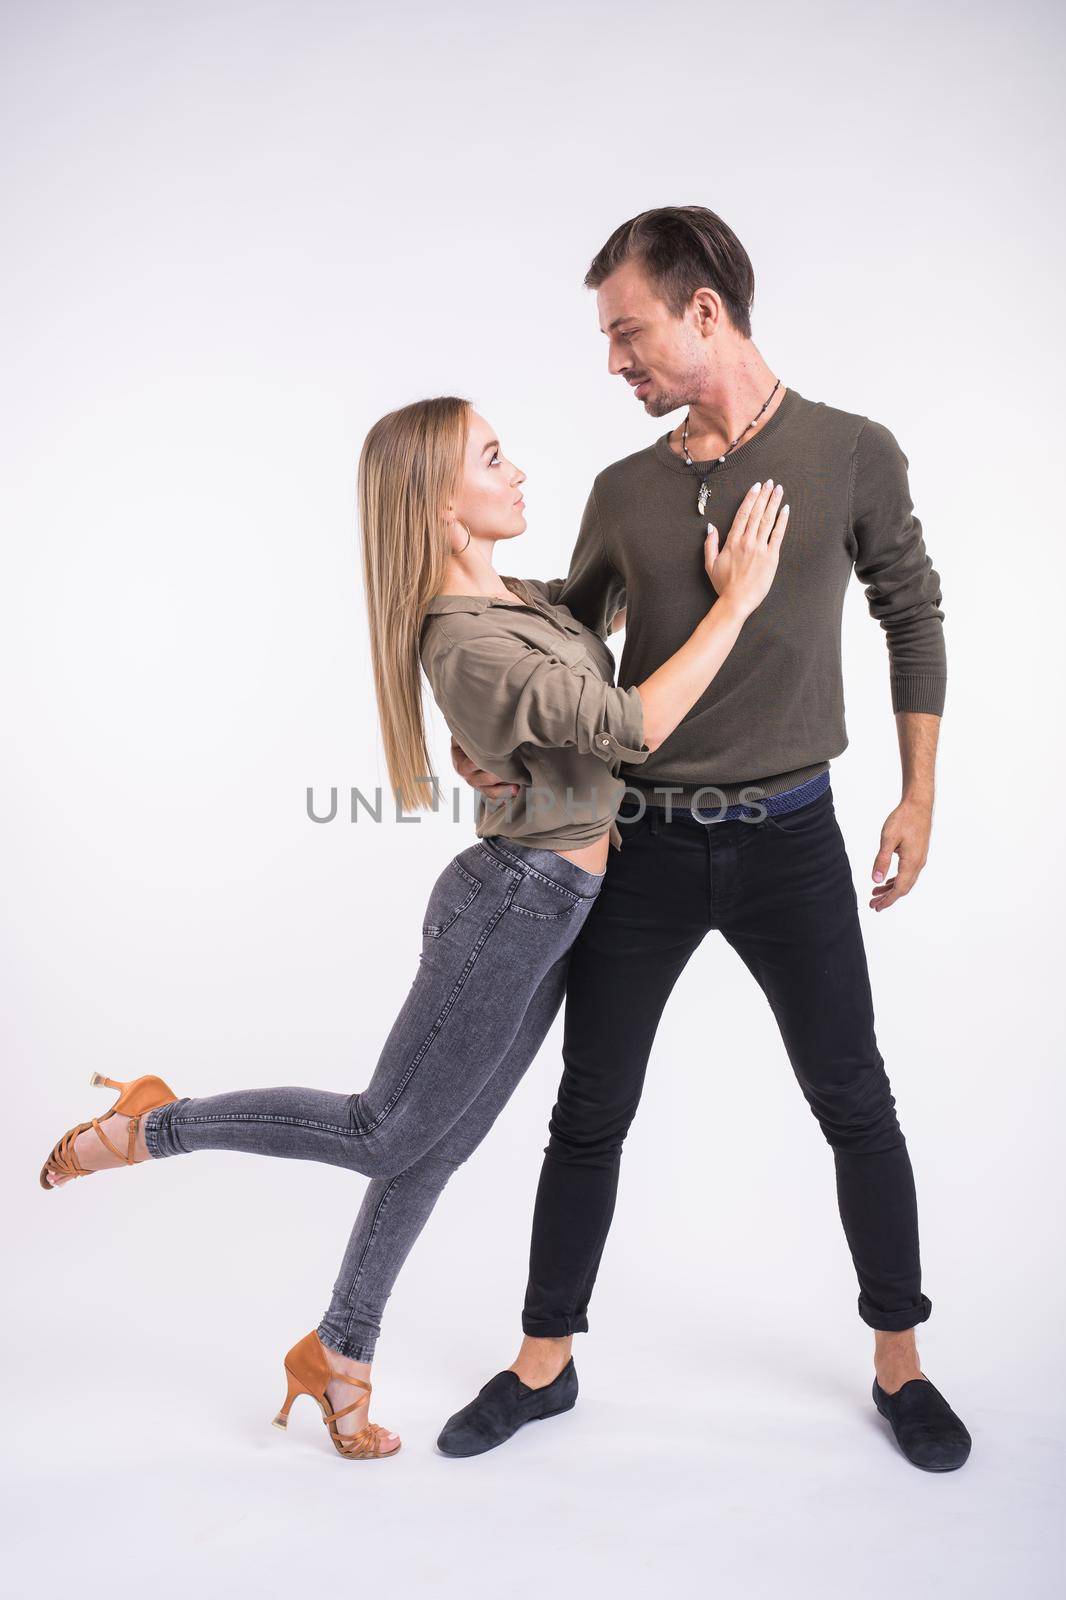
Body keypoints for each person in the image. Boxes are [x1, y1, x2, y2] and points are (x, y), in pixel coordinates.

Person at [38, 396, 790, 1462]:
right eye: (493, 457)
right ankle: (160, 1122)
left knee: (438, 1144)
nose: (518, 469)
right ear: (444, 510)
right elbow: (635, 726)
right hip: (511, 903)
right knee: (382, 1129)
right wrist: (739, 605)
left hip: (561, 906)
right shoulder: (466, 639)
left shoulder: (521, 598)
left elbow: (596, 627)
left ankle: (340, 1350)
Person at [440, 206, 972, 1473]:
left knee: (854, 1099)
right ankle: (544, 1361)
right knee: (591, 1108)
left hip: (794, 841)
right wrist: (501, 739)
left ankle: (899, 1358)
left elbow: (912, 614)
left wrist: (917, 793)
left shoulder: (850, 452)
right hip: (647, 844)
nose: (613, 363)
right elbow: (567, 636)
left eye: (627, 334)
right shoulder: (627, 489)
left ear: (704, 311)